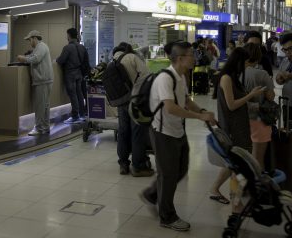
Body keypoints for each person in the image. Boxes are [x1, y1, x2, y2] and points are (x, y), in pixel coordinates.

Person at [139, 41, 216, 232]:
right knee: (168, 175)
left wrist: (202, 111)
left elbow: (186, 101)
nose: (195, 58)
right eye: (191, 55)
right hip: (163, 133)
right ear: (180, 59)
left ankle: (151, 195)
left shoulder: (180, 76)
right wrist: (199, 117)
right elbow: (170, 107)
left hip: (177, 131)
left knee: (181, 170)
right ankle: (167, 217)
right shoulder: (165, 78)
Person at [209, 47, 266, 208]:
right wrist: (251, 95)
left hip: (240, 124)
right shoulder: (226, 78)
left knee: (235, 163)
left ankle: (226, 193)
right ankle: (235, 198)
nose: (247, 66)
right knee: (237, 163)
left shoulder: (234, 78)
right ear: (239, 62)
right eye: (246, 63)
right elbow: (231, 105)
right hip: (232, 127)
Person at [111, 42, 153, 176]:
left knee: (123, 132)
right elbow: (146, 76)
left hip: (121, 102)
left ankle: (123, 164)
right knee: (137, 132)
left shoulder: (113, 60)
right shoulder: (132, 57)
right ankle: (138, 166)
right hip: (135, 101)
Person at [243, 43, 275, 170]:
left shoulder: (234, 74)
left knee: (242, 156)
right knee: (258, 158)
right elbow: (271, 97)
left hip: (240, 118)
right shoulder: (262, 74)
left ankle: (243, 181)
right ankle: (257, 181)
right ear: (258, 57)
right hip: (259, 119)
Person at [17, 30, 53, 136]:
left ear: (35, 38)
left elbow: (36, 59)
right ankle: (45, 127)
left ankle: (39, 128)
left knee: (40, 106)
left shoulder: (41, 46)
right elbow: (34, 57)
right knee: (44, 106)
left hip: (42, 80)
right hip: (44, 80)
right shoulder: (40, 47)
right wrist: (26, 58)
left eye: (30, 40)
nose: (29, 42)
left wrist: (23, 59)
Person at [56, 28, 88, 124]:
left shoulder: (67, 48)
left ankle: (75, 115)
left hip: (70, 74)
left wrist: (57, 59)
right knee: (79, 94)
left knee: (73, 94)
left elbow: (61, 60)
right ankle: (82, 114)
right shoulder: (82, 47)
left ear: (69, 36)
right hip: (79, 73)